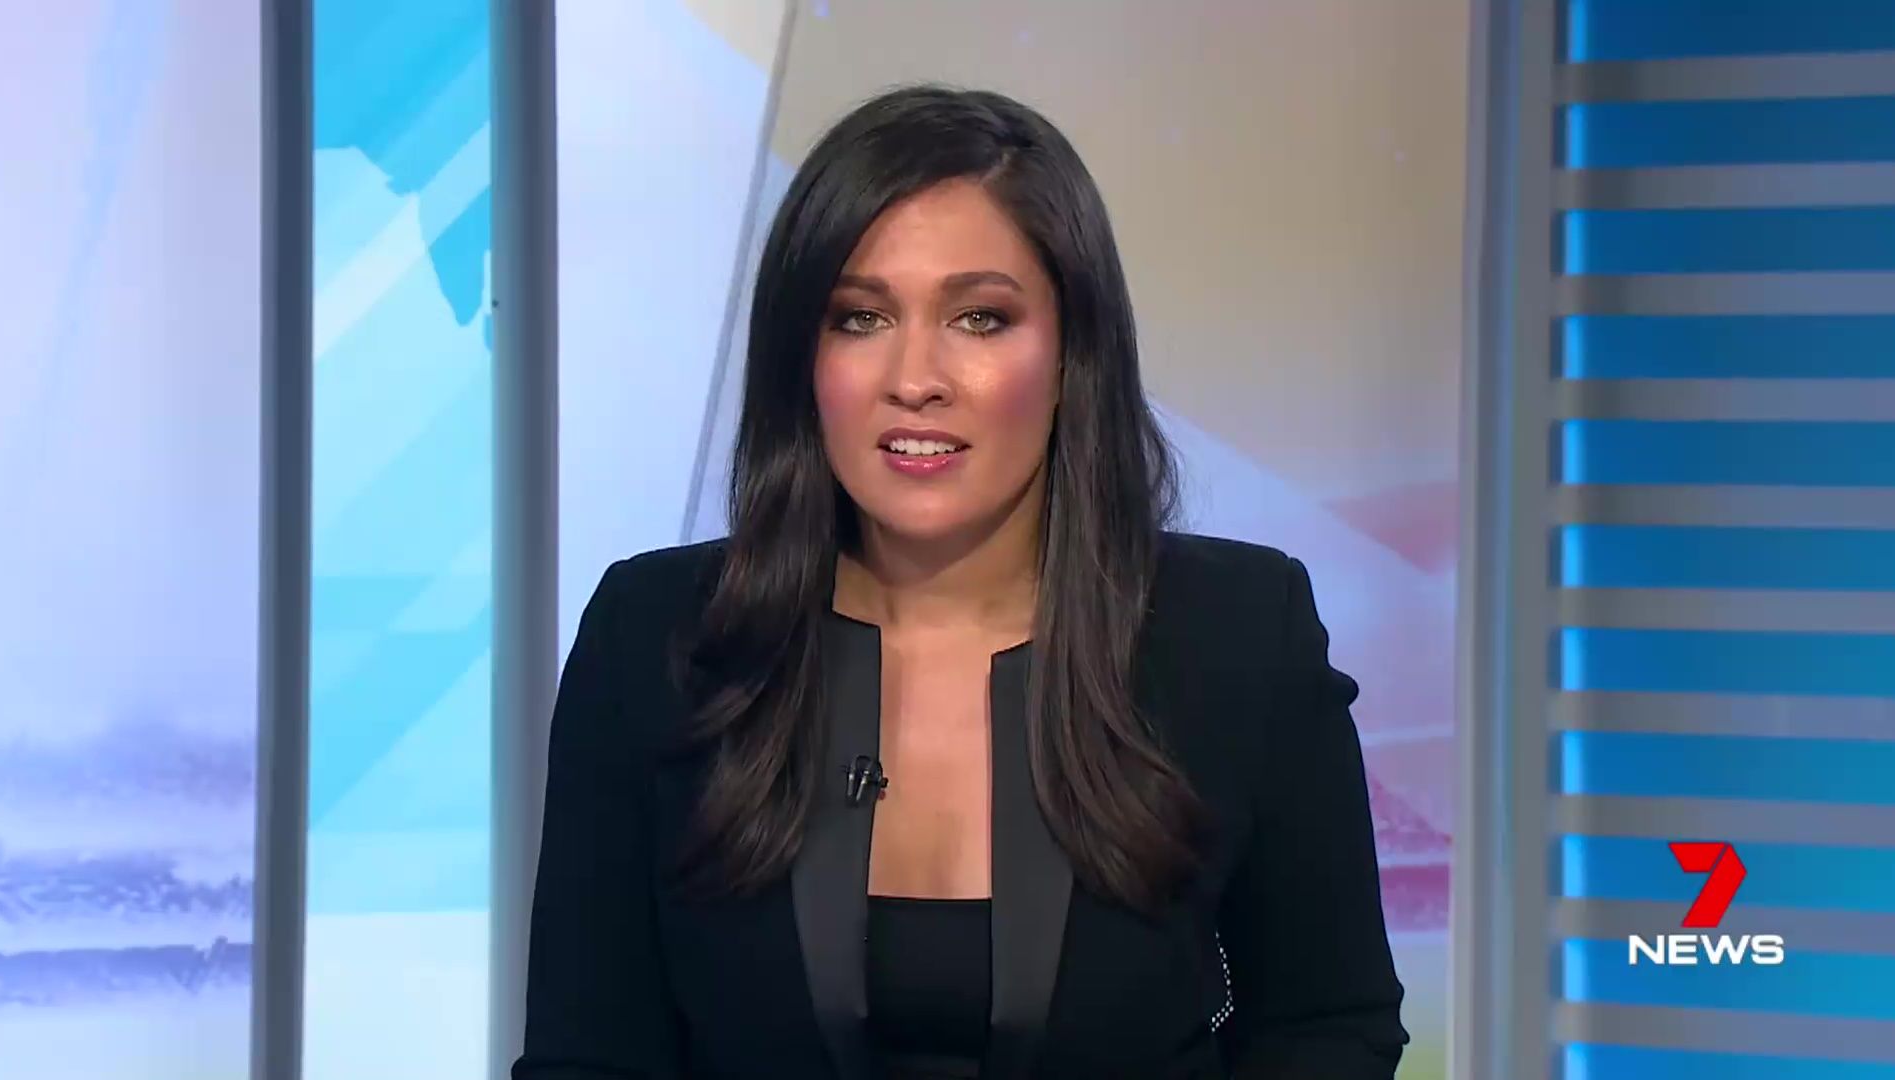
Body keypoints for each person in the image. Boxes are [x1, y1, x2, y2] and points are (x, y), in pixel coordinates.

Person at [513, 84, 1407, 1080]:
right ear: (802, 357)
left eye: (980, 318)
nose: (916, 378)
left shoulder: (1238, 634)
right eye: (860, 317)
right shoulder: (656, 639)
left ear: (1071, 353)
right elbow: (587, 1056)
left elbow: (1329, 1027)